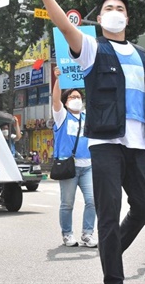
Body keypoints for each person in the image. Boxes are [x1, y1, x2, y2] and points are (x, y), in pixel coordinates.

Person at [19, 0, 145, 284]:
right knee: (108, 213)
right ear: (99, 19)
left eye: (120, 8)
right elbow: (64, 25)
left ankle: (110, 252)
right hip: (105, 143)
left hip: (139, 144)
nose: (115, 12)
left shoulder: (141, 54)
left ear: (127, 17)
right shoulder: (92, 48)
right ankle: (114, 277)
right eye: (108, 8)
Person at [52, 66, 97, 248]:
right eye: (72, 97)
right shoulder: (62, 115)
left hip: (89, 166)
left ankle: (87, 234)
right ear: (66, 101)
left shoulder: (88, 116)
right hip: (69, 166)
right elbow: (55, 100)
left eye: (78, 97)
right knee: (67, 203)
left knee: (93, 200)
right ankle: (67, 234)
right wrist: (58, 80)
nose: (76, 99)